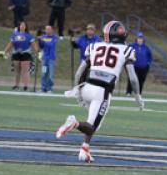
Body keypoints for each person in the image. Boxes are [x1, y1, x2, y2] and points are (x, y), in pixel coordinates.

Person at [56, 20, 144, 163]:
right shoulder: (126, 50)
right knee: (91, 127)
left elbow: (79, 72)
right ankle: (74, 123)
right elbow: (133, 78)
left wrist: (77, 89)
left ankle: (84, 149)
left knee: (93, 121)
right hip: (102, 92)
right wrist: (138, 95)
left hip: (87, 87)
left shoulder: (94, 46)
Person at [3, 21, 39, 91]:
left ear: (26, 27)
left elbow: (33, 45)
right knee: (17, 71)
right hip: (16, 53)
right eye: (21, 25)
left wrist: (38, 53)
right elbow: (10, 44)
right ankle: (16, 85)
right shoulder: (15, 35)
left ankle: (26, 86)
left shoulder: (29, 35)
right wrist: (4, 52)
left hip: (26, 53)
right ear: (19, 26)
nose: (22, 26)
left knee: (25, 70)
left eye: (23, 25)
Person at [126, 31, 153, 95]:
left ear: (143, 39)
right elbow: (127, 51)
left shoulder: (146, 47)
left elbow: (150, 56)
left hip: (144, 67)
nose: (140, 40)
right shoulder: (132, 45)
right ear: (136, 39)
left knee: (141, 80)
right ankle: (129, 92)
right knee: (132, 80)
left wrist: (148, 63)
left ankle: (139, 93)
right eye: (139, 38)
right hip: (134, 66)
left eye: (141, 38)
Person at [38, 25, 59, 93]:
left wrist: (43, 41)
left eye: (49, 29)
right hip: (44, 59)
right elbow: (41, 46)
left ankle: (49, 88)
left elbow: (51, 44)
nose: (47, 31)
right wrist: (40, 41)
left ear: (52, 30)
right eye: (46, 29)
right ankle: (43, 88)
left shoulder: (54, 37)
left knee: (50, 74)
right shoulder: (43, 37)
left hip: (51, 59)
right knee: (44, 73)